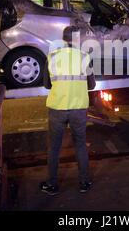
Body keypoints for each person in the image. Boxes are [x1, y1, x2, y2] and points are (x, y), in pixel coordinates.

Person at [39, 25, 96, 195]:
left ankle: (52, 185)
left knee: (54, 147)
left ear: (63, 39)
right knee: (80, 144)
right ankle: (84, 183)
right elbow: (91, 85)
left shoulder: (53, 56)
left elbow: (46, 84)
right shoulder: (85, 57)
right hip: (78, 108)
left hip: (57, 107)